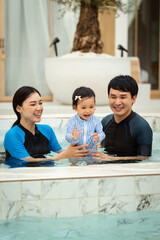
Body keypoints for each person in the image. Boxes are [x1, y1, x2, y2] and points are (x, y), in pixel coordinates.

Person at [4, 86, 90, 164]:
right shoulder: (12, 135)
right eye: (33, 104)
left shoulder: (47, 130)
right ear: (19, 108)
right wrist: (63, 156)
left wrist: (78, 150)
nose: (39, 108)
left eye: (40, 103)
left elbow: (61, 152)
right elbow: (28, 161)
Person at [92, 75, 153, 162]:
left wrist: (113, 159)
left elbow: (144, 158)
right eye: (113, 97)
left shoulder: (141, 127)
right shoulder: (106, 121)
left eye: (123, 97)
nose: (117, 102)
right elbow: (103, 147)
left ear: (134, 98)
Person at [65, 86, 105, 160]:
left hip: (91, 152)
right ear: (75, 108)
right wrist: (72, 137)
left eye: (91, 107)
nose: (88, 111)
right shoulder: (72, 121)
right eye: (83, 108)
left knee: (92, 166)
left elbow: (102, 133)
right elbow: (67, 136)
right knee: (73, 167)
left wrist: (99, 137)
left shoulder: (96, 120)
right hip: (76, 152)